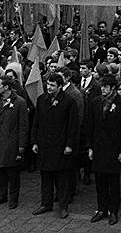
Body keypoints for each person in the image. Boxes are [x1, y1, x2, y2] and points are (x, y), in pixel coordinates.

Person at [86, 74, 121, 225]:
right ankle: (101, 209)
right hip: (99, 148)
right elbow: (90, 126)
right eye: (102, 86)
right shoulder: (95, 102)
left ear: (113, 88)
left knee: (113, 182)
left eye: (106, 87)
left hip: (114, 149)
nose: (103, 89)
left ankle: (113, 211)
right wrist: (90, 147)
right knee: (100, 181)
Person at [31, 72, 79, 218]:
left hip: (60, 146)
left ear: (60, 86)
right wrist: (34, 141)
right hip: (45, 145)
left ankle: (63, 206)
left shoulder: (68, 101)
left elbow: (73, 126)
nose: (49, 87)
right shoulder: (41, 100)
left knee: (62, 178)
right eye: (48, 84)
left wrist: (69, 144)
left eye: (52, 85)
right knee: (45, 176)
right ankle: (46, 203)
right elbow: (36, 122)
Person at [0, 75, 28, 209]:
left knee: (13, 172)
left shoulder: (20, 102)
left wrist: (21, 146)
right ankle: (1, 196)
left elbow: (23, 126)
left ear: (6, 87)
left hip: (11, 143)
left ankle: (13, 199)